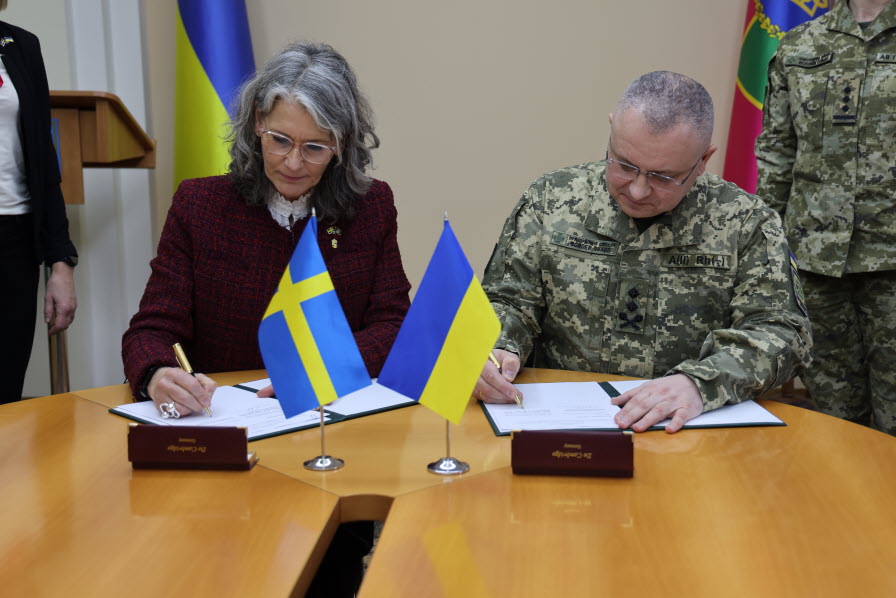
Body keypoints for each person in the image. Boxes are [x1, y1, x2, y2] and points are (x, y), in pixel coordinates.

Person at [122, 43, 410, 598]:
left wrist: (318, 367)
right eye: (279, 139)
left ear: (342, 145)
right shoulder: (200, 205)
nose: (293, 162)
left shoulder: (371, 207)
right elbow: (150, 330)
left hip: (331, 439)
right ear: (256, 123)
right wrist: (157, 373)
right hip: (228, 449)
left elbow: (393, 322)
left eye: (315, 147)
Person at [476, 71, 812, 433]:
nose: (637, 190)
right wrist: (498, 349)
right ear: (611, 130)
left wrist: (701, 382)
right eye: (625, 165)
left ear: (703, 160)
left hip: (687, 426)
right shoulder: (550, 199)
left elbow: (782, 332)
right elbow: (508, 300)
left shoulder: (745, 222)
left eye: (663, 177)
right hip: (560, 421)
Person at [755, 0, 896, 436]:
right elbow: (777, 153)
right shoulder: (799, 45)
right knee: (835, 420)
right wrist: (768, 250)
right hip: (815, 263)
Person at [0, 11, 78, 405]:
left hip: (14, 237)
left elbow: (44, 162)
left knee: (5, 385)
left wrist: (60, 262)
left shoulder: (21, 46)